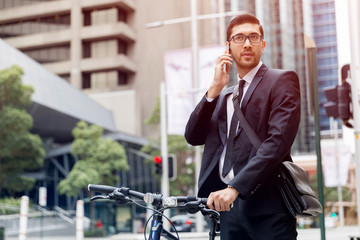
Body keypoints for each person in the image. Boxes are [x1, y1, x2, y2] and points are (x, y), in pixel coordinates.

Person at [184, 13, 301, 240]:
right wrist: (214, 89)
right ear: (228, 47)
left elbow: (277, 143)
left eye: (253, 37)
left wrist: (235, 188)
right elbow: (193, 136)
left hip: (268, 210)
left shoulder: (282, 81)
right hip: (228, 212)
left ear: (263, 44)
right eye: (239, 38)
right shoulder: (224, 95)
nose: (247, 43)